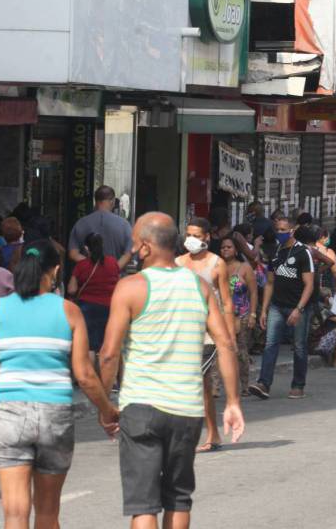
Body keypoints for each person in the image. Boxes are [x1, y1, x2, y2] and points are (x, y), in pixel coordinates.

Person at [98, 212, 244, 527]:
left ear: (147, 247)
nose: (133, 250)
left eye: (135, 244)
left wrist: (103, 405)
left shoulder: (130, 287)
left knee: (144, 505)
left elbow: (109, 354)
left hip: (141, 408)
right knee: (178, 498)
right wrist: (232, 402)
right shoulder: (199, 288)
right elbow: (226, 344)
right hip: (186, 410)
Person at [0, 240, 119, 529]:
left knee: (15, 513)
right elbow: (85, 374)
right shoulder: (68, 311)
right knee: (48, 513)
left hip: (9, 414)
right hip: (55, 414)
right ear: (56, 269)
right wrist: (106, 410)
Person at [176, 218, 234, 452]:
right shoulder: (178, 263)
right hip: (181, 330)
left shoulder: (216, 264)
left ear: (207, 237)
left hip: (208, 334)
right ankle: (211, 433)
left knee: (197, 380)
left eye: (197, 236)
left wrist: (228, 337)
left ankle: (207, 433)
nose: (191, 239)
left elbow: (227, 303)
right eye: (189, 234)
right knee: (198, 385)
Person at [250, 215, 315, 400]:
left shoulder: (303, 252)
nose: (280, 233)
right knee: (270, 344)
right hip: (277, 306)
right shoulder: (275, 252)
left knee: (299, 346)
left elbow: (309, 284)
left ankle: (298, 385)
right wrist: (264, 309)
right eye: (277, 230)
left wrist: (299, 309)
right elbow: (270, 282)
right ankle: (263, 383)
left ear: (292, 230)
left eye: (283, 230)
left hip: (298, 306)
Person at [68, 232, 121, 356]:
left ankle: (92, 374)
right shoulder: (112, 262)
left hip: (87, 309)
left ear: (86, 248)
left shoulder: (81, 265)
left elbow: (71, 289)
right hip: (109, 308)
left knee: (90, 346)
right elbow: (117, 282)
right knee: (106, 345)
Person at [221, 236, 258, 394]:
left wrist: (253, 314)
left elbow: (254, 292)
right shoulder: (217, 266)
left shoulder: (244, 268)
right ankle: (216, 387)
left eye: (229, 247)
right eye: (223, 247)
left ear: (236, 250)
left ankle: (244, 385)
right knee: (220, 349)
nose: (225, 250)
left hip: (241, 314)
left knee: (241, 351)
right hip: (221, 314)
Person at [69, 186, 133, 271]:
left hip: (88, 280)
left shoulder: (81, 223)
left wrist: (93, 266)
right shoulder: (124, 225)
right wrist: (112, 270)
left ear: (95, 201)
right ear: (112, 201)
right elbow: (128, 254)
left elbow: (73, 254)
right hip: (115, 281)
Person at [312, 225, 336, 366]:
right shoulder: (328, 252)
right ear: (323, 237)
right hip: (326, 289)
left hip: (311, 290)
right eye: (327, 237)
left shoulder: (308, 250)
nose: (328, 239)